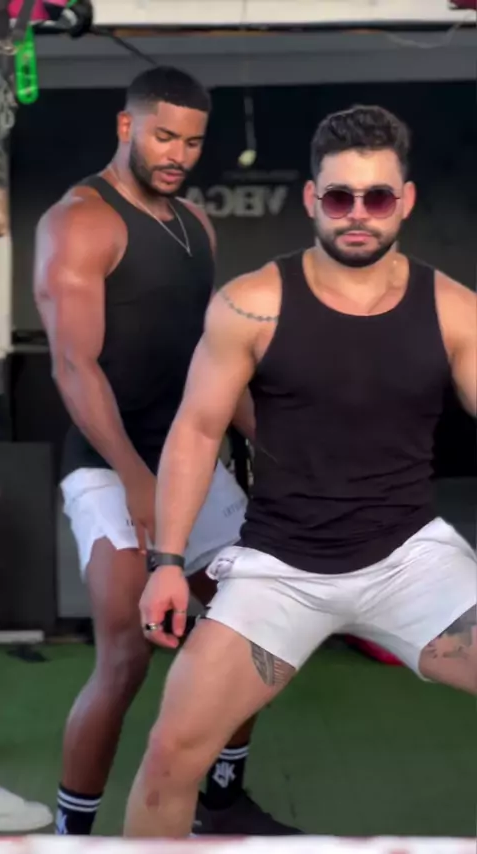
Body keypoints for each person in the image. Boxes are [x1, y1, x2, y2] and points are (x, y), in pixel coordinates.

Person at [124, 104, 477, 838]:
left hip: (411, 561)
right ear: (313, 198)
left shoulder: (455, 312)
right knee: (169, 756)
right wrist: (166, 562)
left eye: (377, 197)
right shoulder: (251, 304)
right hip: (279, 570)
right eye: (340, 197)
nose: (358, 214)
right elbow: (196, 431)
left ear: (405, 200)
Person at [33, 65, 299, 837]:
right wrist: (136, 479)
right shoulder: (80, 221)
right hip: (108, 464)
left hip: (192, 461)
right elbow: (73, 367)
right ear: (127, 127)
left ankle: (221, 799)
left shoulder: (196, 226)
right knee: (125, 657)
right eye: (164, 136)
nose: (178, 154)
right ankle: (72, 838)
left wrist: (275, 443)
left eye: (191, 141)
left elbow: (209, 360)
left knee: (255, 629)